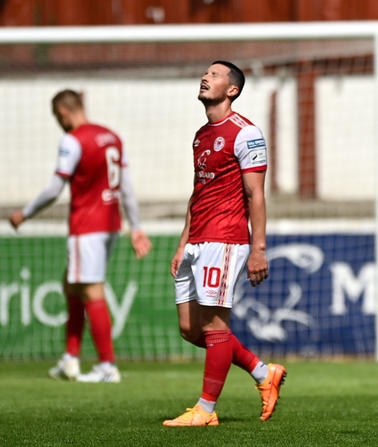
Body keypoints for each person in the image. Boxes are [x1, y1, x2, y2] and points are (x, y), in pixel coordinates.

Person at [162, 61, 286, 427]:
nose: (205, 77)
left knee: (216, 327)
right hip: (197, 238)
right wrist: (183, 241)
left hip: (225, 238)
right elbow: (197, 191)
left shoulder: (246, 133)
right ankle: (263, 373)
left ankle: (205, 410)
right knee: (190, 329)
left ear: (232, 89)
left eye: (215, 75)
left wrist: (258, 248)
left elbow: (256, 195)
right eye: (205, 72)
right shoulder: (201, 134)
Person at [8, 89, 152, 383]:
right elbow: (126, 187)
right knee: (71, 285)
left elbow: (54, 188)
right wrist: (135, 226)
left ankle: (107, 366)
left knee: (90, 290)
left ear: (62, 112)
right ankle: (70, 360)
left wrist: (25, 213)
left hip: (87, 226)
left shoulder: (73, 140)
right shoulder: (112, 136)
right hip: (111, 224)